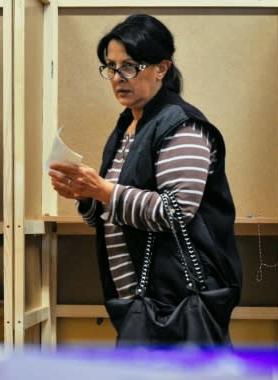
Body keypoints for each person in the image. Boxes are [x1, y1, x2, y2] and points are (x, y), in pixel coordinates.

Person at [49, 14, 242, 346]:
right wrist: (86, 196)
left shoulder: (182, 125)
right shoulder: (127, 126)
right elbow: (115, 208)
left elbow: (175, 211)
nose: (117, 77)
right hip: (139, 296)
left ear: (162, 68)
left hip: (177, 295)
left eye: (130, 66)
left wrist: (103, 189)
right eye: (111, 67)